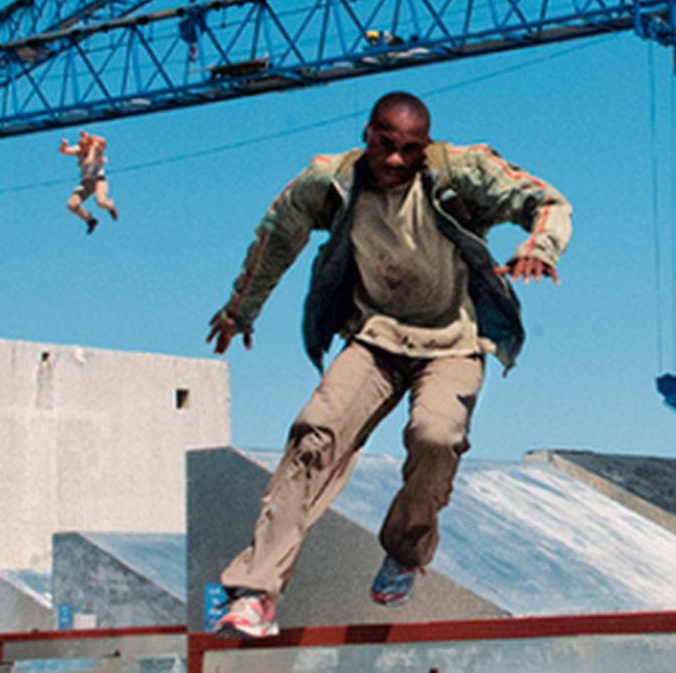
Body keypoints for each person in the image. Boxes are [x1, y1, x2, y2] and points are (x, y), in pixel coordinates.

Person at [206, 91, 572, 639]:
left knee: (435, 436)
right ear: (367, 134)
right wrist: (241, 309)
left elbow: (544, 199)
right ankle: (256, 590)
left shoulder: (460, 170)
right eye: (385, 145)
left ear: (425, 148)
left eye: (410, 150)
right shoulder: (329, 180)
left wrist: (541, 246)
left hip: (452, 342)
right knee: (314, 436)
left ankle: (405, 552)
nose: (396, 161)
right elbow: (276, 235)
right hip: (374, 338)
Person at [59, 130, 118, 233]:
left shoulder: (96, 148)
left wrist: (90, 137)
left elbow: (103, 141)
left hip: (99, 181)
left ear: (90, 146)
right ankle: (90, 220)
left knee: (101, 202)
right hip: (86, 182)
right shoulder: (79, 149)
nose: (84, 151)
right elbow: (63, 151)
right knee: (72, 204)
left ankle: (111, 207)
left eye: (86, 149)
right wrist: (64, 145)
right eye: (82, 149)